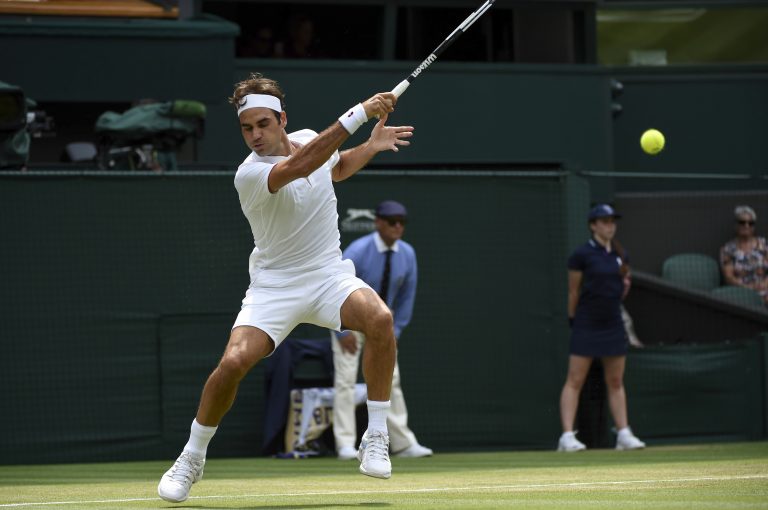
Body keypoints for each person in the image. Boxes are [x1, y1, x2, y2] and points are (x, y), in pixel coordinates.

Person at [156, 72, 414, 503]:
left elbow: (337, 167)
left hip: (329, 275)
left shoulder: (312, 139)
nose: (255, 135)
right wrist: (360, 114)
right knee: (234, 362)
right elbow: (302, 165)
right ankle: (191, 457)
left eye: (263, 124)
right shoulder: (250, 174)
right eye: (246, 127)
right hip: (275, 286)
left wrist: (369, 145)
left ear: (282, 120)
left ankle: (376, 436)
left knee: (380, 320)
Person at [332, 200, 433, 461]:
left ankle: (402, 443)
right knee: (345, 381)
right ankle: (345, 444)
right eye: (391, 221)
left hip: (382, 328)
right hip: (350, 325)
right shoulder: (359, 250)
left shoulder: (408, 254)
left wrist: (394, 332)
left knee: (392, 380)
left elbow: (406, 297)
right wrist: (341, 331)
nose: (397, 226)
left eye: (402, 222)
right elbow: (334, 287)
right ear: (378, 222)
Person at [557, 204, 646, 452]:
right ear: (593, 225)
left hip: (613, 322)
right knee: (575, 379)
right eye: (604, 221)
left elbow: (621, 288)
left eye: (612, 221)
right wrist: (573, 318)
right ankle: (566, 436)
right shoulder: (581, 255)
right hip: (587, 322)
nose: (609, 225)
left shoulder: (620, 254)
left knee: (616, 380)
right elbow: (573, 290)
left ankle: (624, 434)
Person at [720, 205, 768, 306]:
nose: (746, 226)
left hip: (765, 289)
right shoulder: (728, 249)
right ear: (736, 225)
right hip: (742, 293)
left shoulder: (763, 245)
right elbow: (729, 277)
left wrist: (765, 283)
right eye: (742, 222)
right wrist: (748, 288)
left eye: (750, 223)